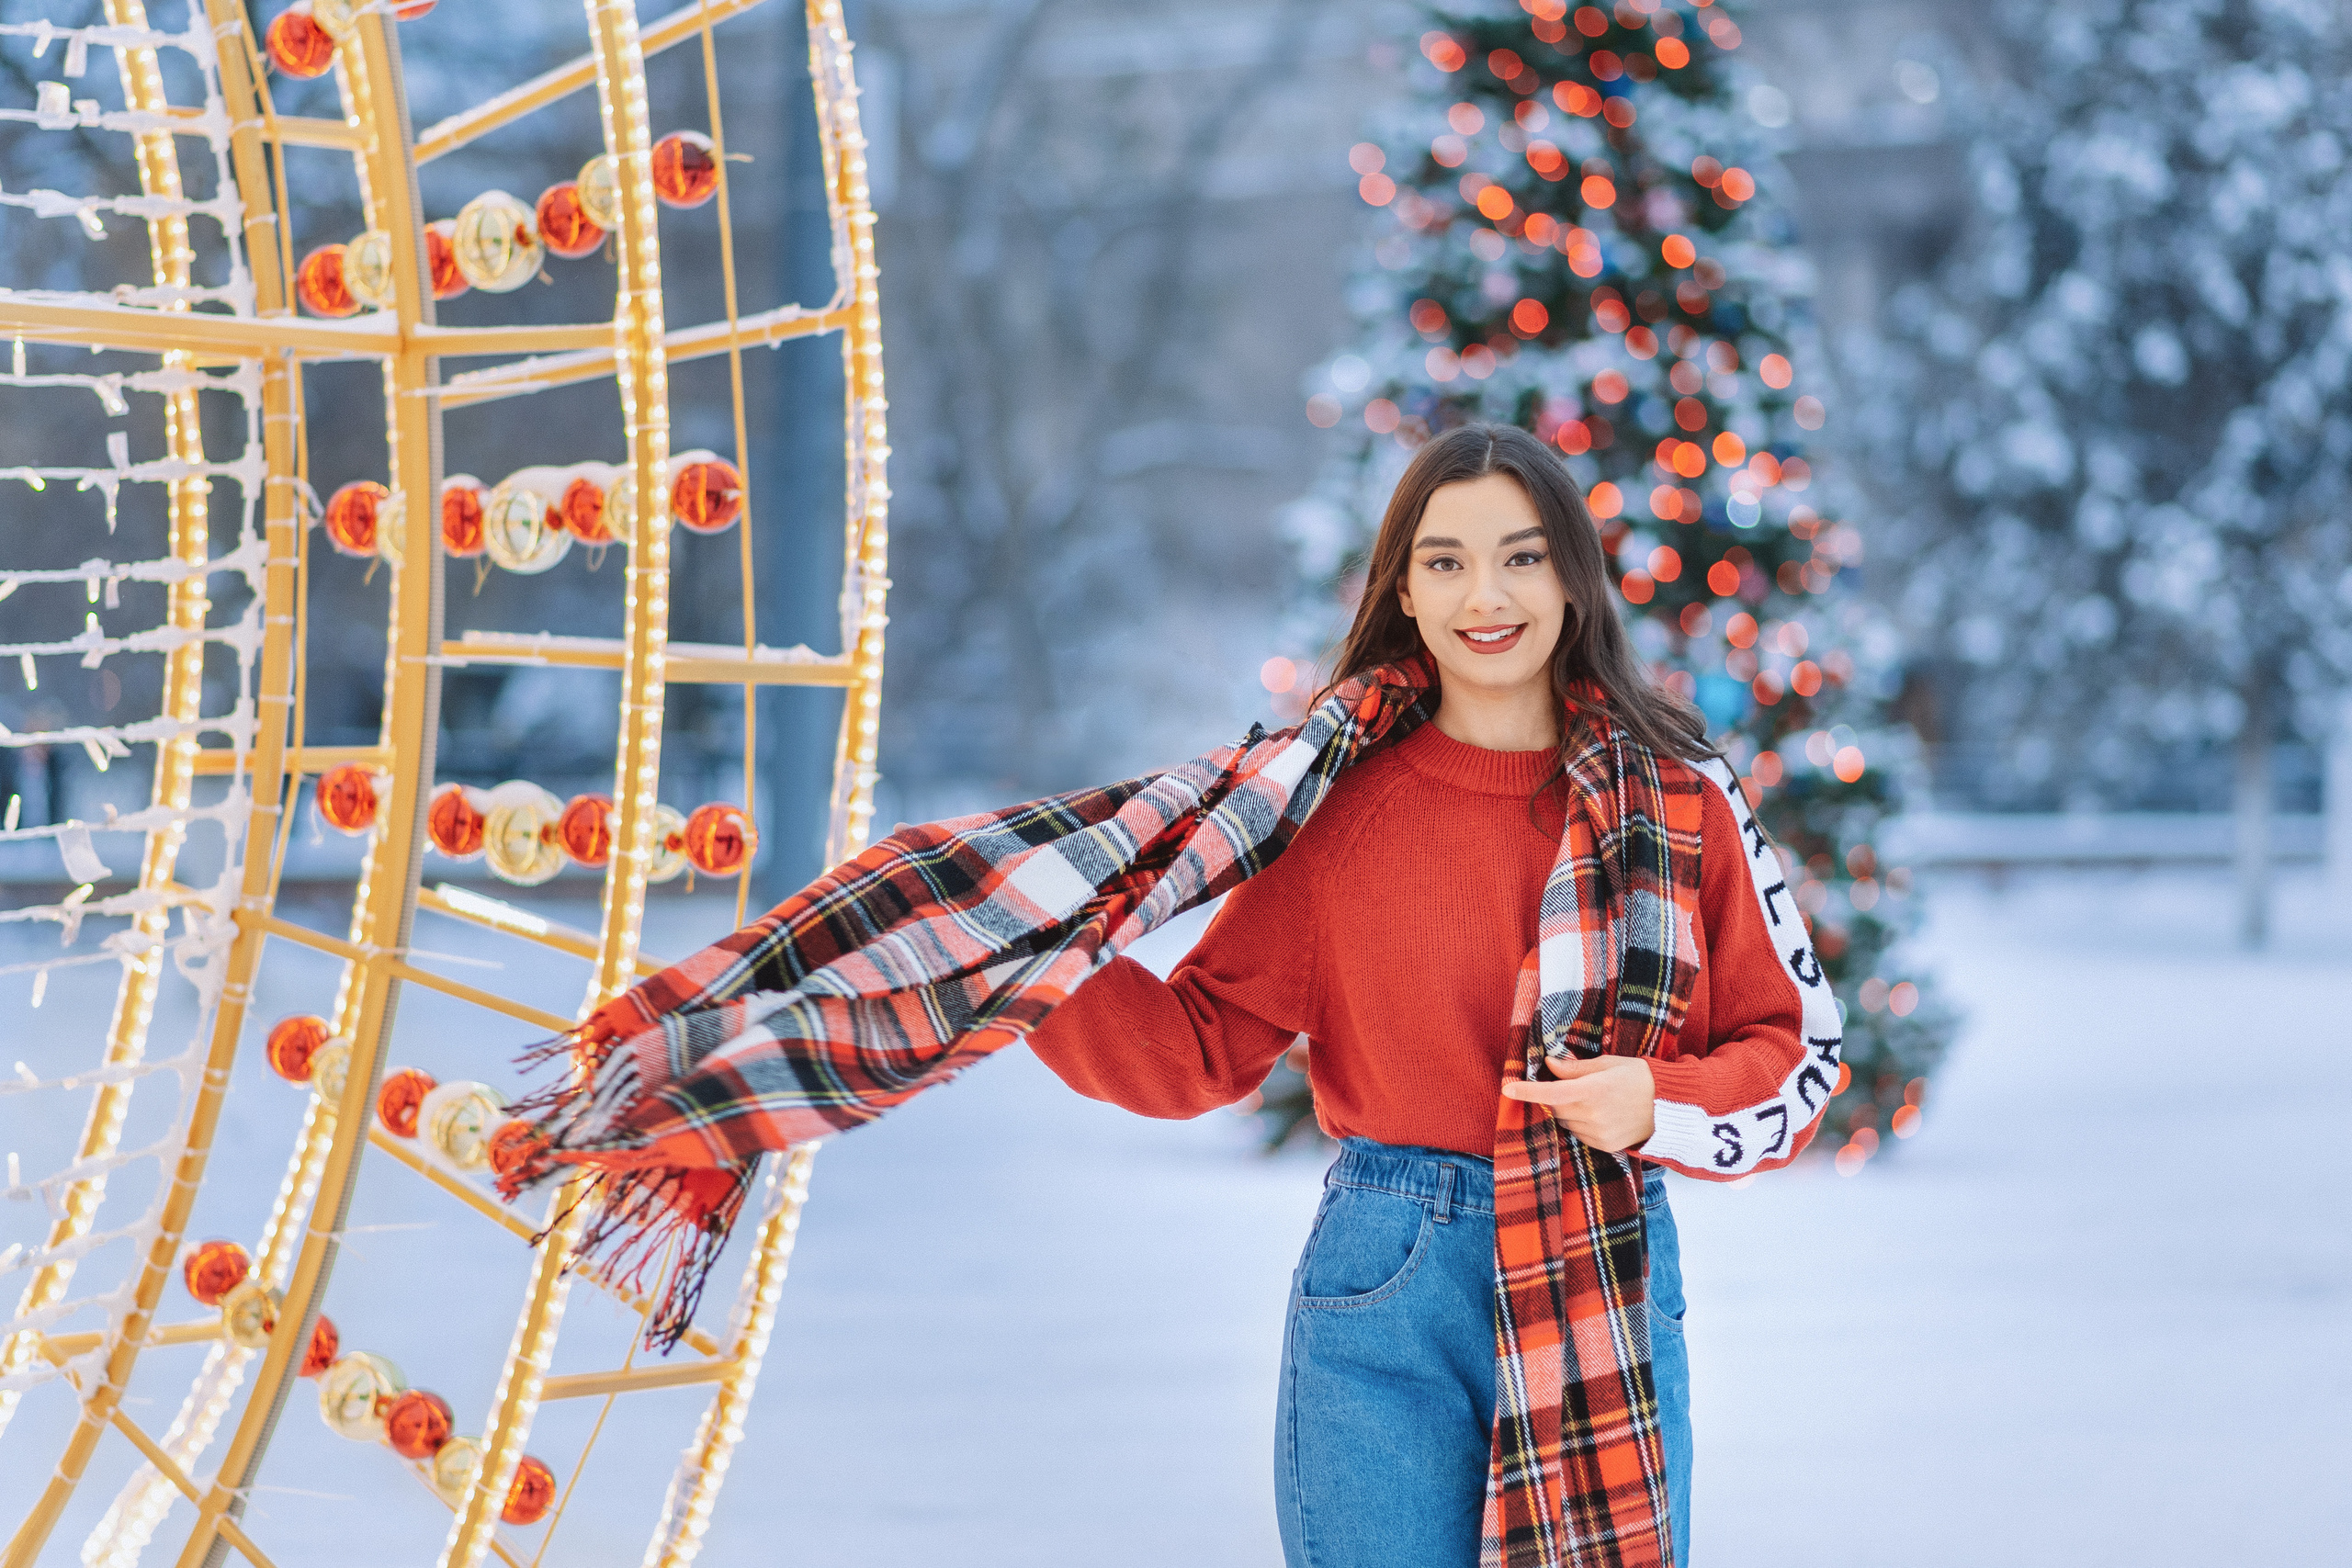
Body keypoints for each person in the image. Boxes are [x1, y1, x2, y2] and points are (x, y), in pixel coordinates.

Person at [1024, 423, 1830, 1568]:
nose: (1484, 594)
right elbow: (1197, 1049)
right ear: (1401, 586)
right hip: (1385, 1271)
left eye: (1521, 555)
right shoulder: (1334, 809)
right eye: (1445, 560)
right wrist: (1016, 963)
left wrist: (1655, 1099)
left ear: (1571, 578)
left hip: (1597, 1252)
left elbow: (1794, 1051)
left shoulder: (1683, 799)